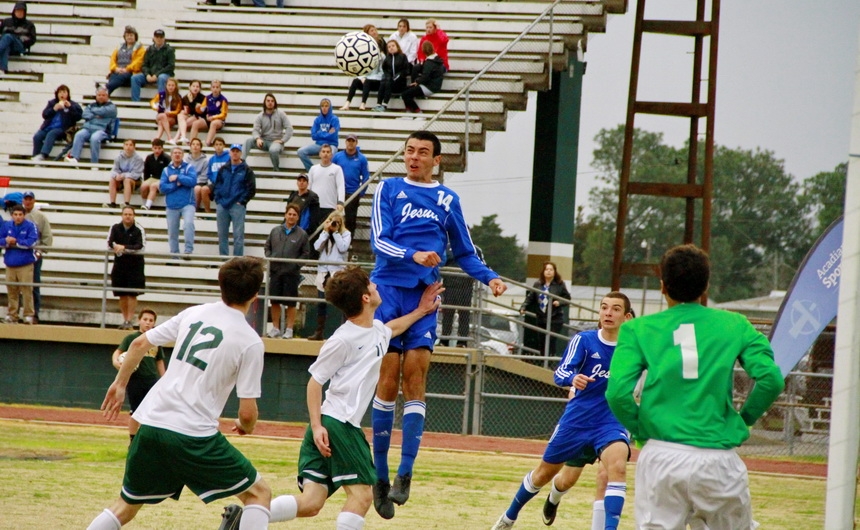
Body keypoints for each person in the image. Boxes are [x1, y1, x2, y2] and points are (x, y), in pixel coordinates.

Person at [219, 266, 443, 530]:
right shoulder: (342, 339)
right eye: (371, 285)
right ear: (365, 298)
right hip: (339, 424)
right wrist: (316, 426)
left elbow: (393, 328)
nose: (376, 287)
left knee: (311, 503)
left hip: (330, 424)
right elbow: (314, 382)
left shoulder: (376, 330)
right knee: (362, 497)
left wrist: (422, 311)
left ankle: (242, 520)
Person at [370, 130, 507, 519]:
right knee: (387, 378)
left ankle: (405, 473)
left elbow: (464, 251)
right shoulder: (388, 188)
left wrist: (490, 277)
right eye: (409, 151)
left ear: (437, 160)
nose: (413, 157)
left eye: (422, 152)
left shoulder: (448, 200)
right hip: (389, 293)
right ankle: (379, 475)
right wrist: (416, 254)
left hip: (426, 296)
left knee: (415, 378)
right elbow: (380, 241)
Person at [606, 244, 785, 530]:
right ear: (706, 285)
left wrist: (640, 428)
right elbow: (772, 380)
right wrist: (744, 420)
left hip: (661, 454)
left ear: (662, 286)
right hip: (717, 458)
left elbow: (616, 393)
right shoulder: (736, 324)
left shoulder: (636, 329)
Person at [87, 257, 272, 530]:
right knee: (259, 494)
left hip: (151, 425)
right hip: (194, 434)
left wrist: (120, 383)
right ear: (256, 295)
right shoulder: (250, 341)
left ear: (221, 286)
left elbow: (139, 343)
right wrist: (247, 426)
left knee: (124, 507)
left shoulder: (194, 312)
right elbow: (247, 413)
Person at [491, 292, 634, 530]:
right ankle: (509, 517)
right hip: (577, 421)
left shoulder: (632, 349)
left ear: (626, 316)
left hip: (611, 422)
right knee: (546, 476)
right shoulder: (584, 341)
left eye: (616, 309)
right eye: (604, 307)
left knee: (616, 468)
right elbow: (560, 373)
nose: (608, 313)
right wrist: (573, 378)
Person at [110, 308, 165, 442]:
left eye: (151, 320)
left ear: (154, 323)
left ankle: (149, 439)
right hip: (135, 380)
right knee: (136, 411)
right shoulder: (131, 338)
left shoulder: (155, 341)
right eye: (145, 319)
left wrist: (165, 379)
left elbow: (159, 362)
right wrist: (116, 362)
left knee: (153, 412)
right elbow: (117, 352)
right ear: (139, 321)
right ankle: (133, 440)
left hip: (151, 381)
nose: (147, 323)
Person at [264, 203, 310, 339]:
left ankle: (289, 329)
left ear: (298, 217)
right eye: (289, 214)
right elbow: (267, 247)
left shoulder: (302, 234)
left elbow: (306, 253)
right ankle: (276, 328)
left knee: (290, 302)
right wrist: (271, 258)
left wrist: (295, 265)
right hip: (276, 271)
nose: (291, 217)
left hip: (291, 274)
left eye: (294, 215)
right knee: (275, 301)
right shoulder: (275, 231)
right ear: (285, 215)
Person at [308, 211, 351, 341]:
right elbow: (316, 247)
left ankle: (344, 332)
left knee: (341, 302)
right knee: (321, 302)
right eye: (331, 221)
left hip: (337, 271)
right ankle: (319, 332)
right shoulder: (324, 233)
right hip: (323, 271)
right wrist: (326, 232)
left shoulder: (346, 234)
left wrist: (336, 232)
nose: (333, 224)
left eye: (336, 222)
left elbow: (343, 248)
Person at [519, 261, 571, 357]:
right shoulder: (538, 284)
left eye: (551, 270)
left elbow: (567, 298)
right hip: (541, 317)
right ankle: (544, 361)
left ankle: (550, 359)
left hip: (555, 317)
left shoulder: (559, 284)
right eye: (546, 269)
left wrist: (559, 302)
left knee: (550, 339)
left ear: (554, 272)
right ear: (543, 271)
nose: (548, 272)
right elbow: (530, 298)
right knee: (542, 341)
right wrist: (523, 307)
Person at [106, 206, 146, 329]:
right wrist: (116, 247)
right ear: (122, 215)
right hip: (119, 265)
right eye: (125, 214)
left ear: (134, 216)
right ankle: (125, 320)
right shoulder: (115, 228)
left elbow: (140, 246)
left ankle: (130, 320)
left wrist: (124, 247)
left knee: (132, 294)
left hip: (135, 266)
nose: (128, 216)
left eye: (130, 214)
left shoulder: (139, 229)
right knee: (121, 293)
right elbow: (109, 243)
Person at [214, 144, 256, 256]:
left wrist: (242, 201)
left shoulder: (247, 170)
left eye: (237, 151)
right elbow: (217, 185)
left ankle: (237, 262)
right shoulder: (223, 169)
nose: (235, 153)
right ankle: (224, 260)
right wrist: (218, 200)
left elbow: (251, 189)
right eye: (233, 151)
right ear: (230, 153)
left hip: (237, 205)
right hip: (223, 205)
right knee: (222, 235)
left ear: (241, 153)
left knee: (238, 236)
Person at [1, 204, 38, 324]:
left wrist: (16, 242)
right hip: (10, 263)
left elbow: (31, 242)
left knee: (26, 290)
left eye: (20, 214)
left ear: (24, 215)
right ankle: (12, 314)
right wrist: (6, 241)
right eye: (15, 214)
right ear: (12, 215)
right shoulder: (6, 225)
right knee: (12, 290)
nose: (18, 217)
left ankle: (28, 314)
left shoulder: (30, 226)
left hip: (25, 263)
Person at [160, 146, 197, 259]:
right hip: (171, 205)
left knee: (188, 224)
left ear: (183, 155)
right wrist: (176, 184)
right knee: (172, 232)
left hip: (187, 203)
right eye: (175, 153)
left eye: (179, 153)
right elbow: (162, 188)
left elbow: (192, 181)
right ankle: (174, 255)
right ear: (171, 155)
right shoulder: (166, 170)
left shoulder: (189, 167)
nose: (177, 155)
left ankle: (188, 251)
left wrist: (178, 177)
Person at [64, 86, 117, 165]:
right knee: (79, 134)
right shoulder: (91, 105)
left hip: (103, 130)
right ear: (96, 96)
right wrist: (98, 115)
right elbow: (85, 114)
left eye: (103, 95)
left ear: (107, 96)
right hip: (88, 128)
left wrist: (94, 113)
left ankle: (94, 164)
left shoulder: (112, 107)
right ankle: (74, 158)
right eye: (99, 95)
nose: (101, 97)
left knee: (95, 138)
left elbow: (105, 111)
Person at [243, 93, 293, 172]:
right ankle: (241, 163)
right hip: (264, 141)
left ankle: (276, 169)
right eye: (268, 101)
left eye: (272, 101)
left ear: (275, 103)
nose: (270, 102)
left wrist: (282, 140)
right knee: (248, 141)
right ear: (265, 102)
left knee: (273, 150)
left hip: (276, 142)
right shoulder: (260, 116)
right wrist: (258, 138)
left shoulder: (281, 114)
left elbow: (289, 129)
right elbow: (255, 130)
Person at [340, 25, 385, 111]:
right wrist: (362, 77)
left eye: (375, 30)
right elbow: (360, 67)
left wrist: (367, 78)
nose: (375, 32)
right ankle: (347, 103)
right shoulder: (362, 50)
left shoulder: (381, 51)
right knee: (356, 80)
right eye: (372, 30)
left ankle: (363, 104)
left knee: (367, 81)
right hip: (365, 79)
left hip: (377, 80)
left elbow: (382, 71)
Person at [32, 84, 82, 161]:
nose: (62, 94)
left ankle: (43, 155)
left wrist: (70, 107)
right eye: (60, 92)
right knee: (37, 136)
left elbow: (78, 116)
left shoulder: (73, 104)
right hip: (48, 127)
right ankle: (36, 156)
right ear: (57, 94)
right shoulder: (52, 103)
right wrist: (54, 109)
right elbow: (45, 115)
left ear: (68, 94)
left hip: (63, 129)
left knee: (51, 133)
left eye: (64, 92)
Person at [22, 191, 51, 324]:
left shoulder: (40, 217)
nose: (28, 202)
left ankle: (35, 313)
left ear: (33, 200)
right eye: (25, 199)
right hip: (19, 255)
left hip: (33, 255)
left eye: (30, 199)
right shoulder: (18, 214)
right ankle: (16, 312)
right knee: (17, 285)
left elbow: (47, 237)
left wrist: (39, 251)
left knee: (34, 284)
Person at [331, 133, 368, 234]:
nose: (350, 143)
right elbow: (331, 172)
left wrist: (360, 193)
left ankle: (349, 243)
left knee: (351, 220)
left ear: (356, 143)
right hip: (338, 194)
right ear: (345, 142)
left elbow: (366, 177)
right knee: (336, 218)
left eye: (353, 141)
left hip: (352, 193)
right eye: (349, 141)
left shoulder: (362, 159)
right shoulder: (337, 156)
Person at [130, 29, 175, 102]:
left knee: (162, 78)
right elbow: (144, 64)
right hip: (150, 74)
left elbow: (170, 66)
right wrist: (147, 74)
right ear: (154, 38)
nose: (159, 39)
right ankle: (135, 102)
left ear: (164, 38)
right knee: (135, 78)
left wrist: (156, 75)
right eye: (157, 37)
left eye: (161, 37)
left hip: (164, 74)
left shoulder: (169, 50)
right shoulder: (149, 49)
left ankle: (161, 102)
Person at [401, 41, 444, 115]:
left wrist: (416, 82)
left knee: (405, 94)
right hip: (433, 85)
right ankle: (408, 112)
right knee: (405, 90)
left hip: (430, 87)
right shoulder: (436, 60)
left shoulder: (429, 62)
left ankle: (418, 112)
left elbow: (425, 77)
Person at [440, 251, 473, 347]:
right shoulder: (446, 248)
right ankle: (444, 341)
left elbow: (482, 265)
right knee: (447, 315)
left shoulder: (474, 249)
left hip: (465, 288)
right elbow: (440, 263)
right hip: (450, 287)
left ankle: (462, 342)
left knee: (464, 315)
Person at [307, 144, 345, 227]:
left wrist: (340, 202)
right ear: (320, 154)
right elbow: (308, 186)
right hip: (315, 206)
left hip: (330, 206)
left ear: (331, 155)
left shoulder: (337, 169)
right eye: (323, 152)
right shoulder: (313, 169)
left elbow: (341, 186)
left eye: (328, 152)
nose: (325, 154)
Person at [297, 98, 339, 171]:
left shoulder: (334, 119)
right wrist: (327, 133)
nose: (324, 108)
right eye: (322, 106)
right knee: (301, 151)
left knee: (332, 153)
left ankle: (328, 172)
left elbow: (333, 135)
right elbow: (313, 135)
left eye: (326, 106)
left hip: (331, 144)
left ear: (330, 107)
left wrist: (319, 133)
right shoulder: (317, 119)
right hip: (319, 145)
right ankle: (312, 170)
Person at [105, 139, 145, 208]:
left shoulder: (138, 159)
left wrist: (124, 175)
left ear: (134, 147)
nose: (128, 147)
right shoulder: (118, 157)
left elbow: (136, 174)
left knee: (127, 180)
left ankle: (126, 203)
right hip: (121, 179)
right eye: (126, 145)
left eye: (130, 145)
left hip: (135, 181)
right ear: (123, 146)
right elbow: (114, 170)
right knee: (112, 179)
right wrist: (116, 175)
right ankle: (112, 203)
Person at [106, 25, 144, 95]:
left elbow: (139, 62)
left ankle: (105, 89)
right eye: (127, 35)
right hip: (118, 70)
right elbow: (113, 59)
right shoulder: (119, 47)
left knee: (121, 76)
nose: (129, 37)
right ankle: (106, 94)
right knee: (113, 76)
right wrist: (115, 68)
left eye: (131, 35)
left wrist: (126, 69)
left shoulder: (140, 48)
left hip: (131, 72)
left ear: (135, 36)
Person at [373, 40, 410, 112]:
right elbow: (385, 69)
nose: (391, 48)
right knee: (384, 81)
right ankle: (378, 104)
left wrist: (396, 77)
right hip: (389, 83)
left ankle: (384, 105)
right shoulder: (387, 58)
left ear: (397, 47)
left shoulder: (402, 56)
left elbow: (406, 70)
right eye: (389, 47)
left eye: (393, 46)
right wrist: (388, 76)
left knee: (388, 81)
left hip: (400, 83)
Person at [0, 2, 36, 75]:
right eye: (18, 11)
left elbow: (32, 39)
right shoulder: (6, 22)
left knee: (8, 37)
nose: (19, 13)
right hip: (7, 44)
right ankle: (3, 69)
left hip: (20, 45)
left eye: (21, 11)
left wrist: (21, 39)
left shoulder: (29, 25)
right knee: (7, 43)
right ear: (14, 11)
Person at [189, 79, 228, 147]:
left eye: (217, 87)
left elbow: (224, 114)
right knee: (195, 123)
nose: (215, 89)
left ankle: (207, 143)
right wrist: (198, 108)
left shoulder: (223, 99)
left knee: (213, 123)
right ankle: (191, 143)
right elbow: (202, 110)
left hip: (218, 120)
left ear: (220, 88)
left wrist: (213, 117)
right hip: (208, 118)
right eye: (213, 87)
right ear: (211, 88)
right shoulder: (207, 98)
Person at [199, 136, 229, 212]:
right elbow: (209, 173)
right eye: (216, 144)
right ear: (214, 146)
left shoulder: (229, 157)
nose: (218, 147)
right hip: (215, 183)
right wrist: (214, 180)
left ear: (224, 146)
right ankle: (208, 212)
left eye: (220, 144)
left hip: (226, 183)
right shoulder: (212, 159)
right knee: (204, 189)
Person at [171, 79, 205, 145]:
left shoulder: (202, 98)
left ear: (200, 88)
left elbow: (199, 112)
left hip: (198, 117)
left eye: (197, 87)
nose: (195, 88)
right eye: (193, 86)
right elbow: (184, 109)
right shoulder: (185, 97)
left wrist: (191, 101)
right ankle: (183, 136)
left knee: (184, 123)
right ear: (189, 87)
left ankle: (177, 138)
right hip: (189, 115)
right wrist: (184, 111)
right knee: (180, 115)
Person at [139, 139, 170, 211]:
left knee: (153, 186)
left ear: (162, 148)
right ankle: (144, 204)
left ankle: (147, 206)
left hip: (163, 179)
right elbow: (146, 171)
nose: (157, 150)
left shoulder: (166, 158)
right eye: (155, 148)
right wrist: (146, 181)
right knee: (143, 186)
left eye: (159, 148)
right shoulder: (149, 157)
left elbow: (169, 172)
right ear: (152, 148)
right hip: (153, 177)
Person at [151, 77, 182, 142]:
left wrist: (170, 112)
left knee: (161, 122)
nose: (171, 87)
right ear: (166, 86)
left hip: (171, 118)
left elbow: (178, 110)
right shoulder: (161, 94)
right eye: (169, 85)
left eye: (173, 85)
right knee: (163, 116)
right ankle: (169, 137)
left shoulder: (178, 97)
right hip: (161, 115)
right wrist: (156, 107)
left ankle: (157, 138)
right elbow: (152, 102)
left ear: (175, 86)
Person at [184, 137, 209, 209]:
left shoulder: (205, 161)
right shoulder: (186, 160)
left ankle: (195, 210)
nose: (195, 146)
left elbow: (204, 176)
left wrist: (193, 182)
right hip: (188, 182)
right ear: (190, 147)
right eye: (193, 144)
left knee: (197, 189)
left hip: (199, 183)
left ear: (201, 148)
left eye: (197, 145)